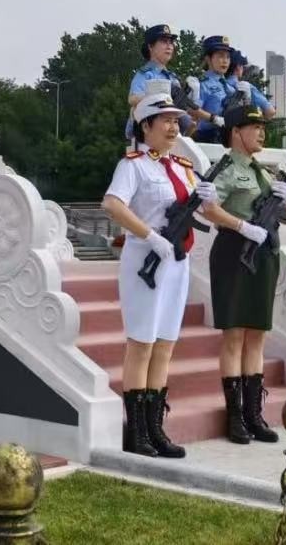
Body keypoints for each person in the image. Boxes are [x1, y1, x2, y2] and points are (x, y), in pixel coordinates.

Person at [101, 86, 223, 459]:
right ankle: (136, 431)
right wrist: (149, 235)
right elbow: (112, 204)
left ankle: (156, 428)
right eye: (166, 121)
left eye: (177, 121)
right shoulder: (133, 165)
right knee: (142, 344)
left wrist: (209, 198)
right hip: (145, 261)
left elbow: (203, 214)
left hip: (177, 262)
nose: (173, 128)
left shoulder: (184, 169)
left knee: (166, 345)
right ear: (146, 125)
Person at [206, 103, 286, 444]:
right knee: (234, 336)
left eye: (263, 127)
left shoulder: (264, 172)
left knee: (257, 335)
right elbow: (209, 209)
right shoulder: (226, 170)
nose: (261, 132)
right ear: (236, 132)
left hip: (264, 254)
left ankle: (253, 413)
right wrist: (242, 226)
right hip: (234, 251)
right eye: (254, 127)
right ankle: (235, 417)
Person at [127, 24, 215, 140]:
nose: (169, 46)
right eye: (164, 41)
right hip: (147, 136)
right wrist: (162, 100)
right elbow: (132, 99)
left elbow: (188, 112)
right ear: (150, 46)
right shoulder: (146, 74)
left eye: (171, 42)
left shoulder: (173, 78)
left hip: (171, 135)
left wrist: (193, 98)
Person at [191, 35, 252, 143]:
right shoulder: (201, 84)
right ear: (208, 58)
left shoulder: (231, 87)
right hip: (208, 137)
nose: (225, 61)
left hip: (230, 137)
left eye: (228, 57)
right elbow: (193, 110)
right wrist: (214, 119)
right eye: (220, 56)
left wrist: (247, 100)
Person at [226, 48, 275, 119]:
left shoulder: (217, 85)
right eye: (242, 66)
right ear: (238, 67)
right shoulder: (246, 86)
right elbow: (270, 112)